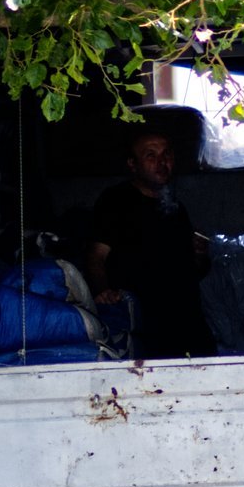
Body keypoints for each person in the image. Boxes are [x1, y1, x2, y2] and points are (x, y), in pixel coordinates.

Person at [84, 127, 213, 359]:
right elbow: (96, 256)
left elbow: (193, 270)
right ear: (133, 164)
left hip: (184, 320)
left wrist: (199, 254)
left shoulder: (175, 207)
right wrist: (102, 292)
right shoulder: (116, 202)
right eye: (151, 156)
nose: (161, 162)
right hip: (143, 323)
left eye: (166, 155)